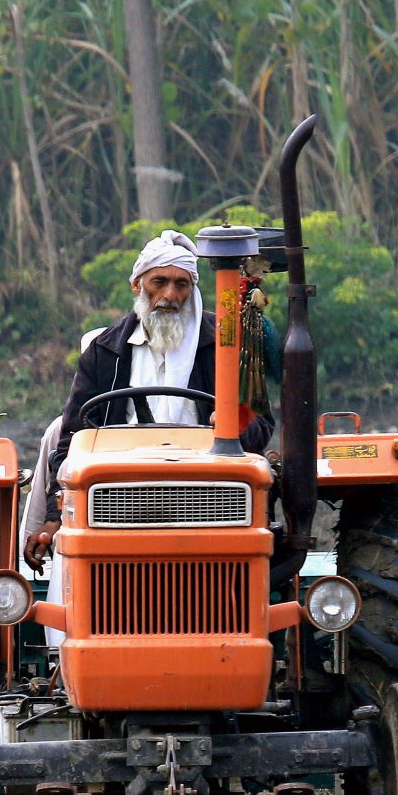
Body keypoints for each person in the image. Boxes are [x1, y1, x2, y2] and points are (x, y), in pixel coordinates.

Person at [21, 229, 278, 570]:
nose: (170, 295)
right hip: (119, 488)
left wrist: (233, 424)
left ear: (193, 290)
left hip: (206, 488)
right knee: (55, 432)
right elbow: (72, 439)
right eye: (159, 282)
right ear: (137, 286)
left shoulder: (226, 346)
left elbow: (260, 425)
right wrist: (56, 515)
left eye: (181, 285)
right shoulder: (105, 351)